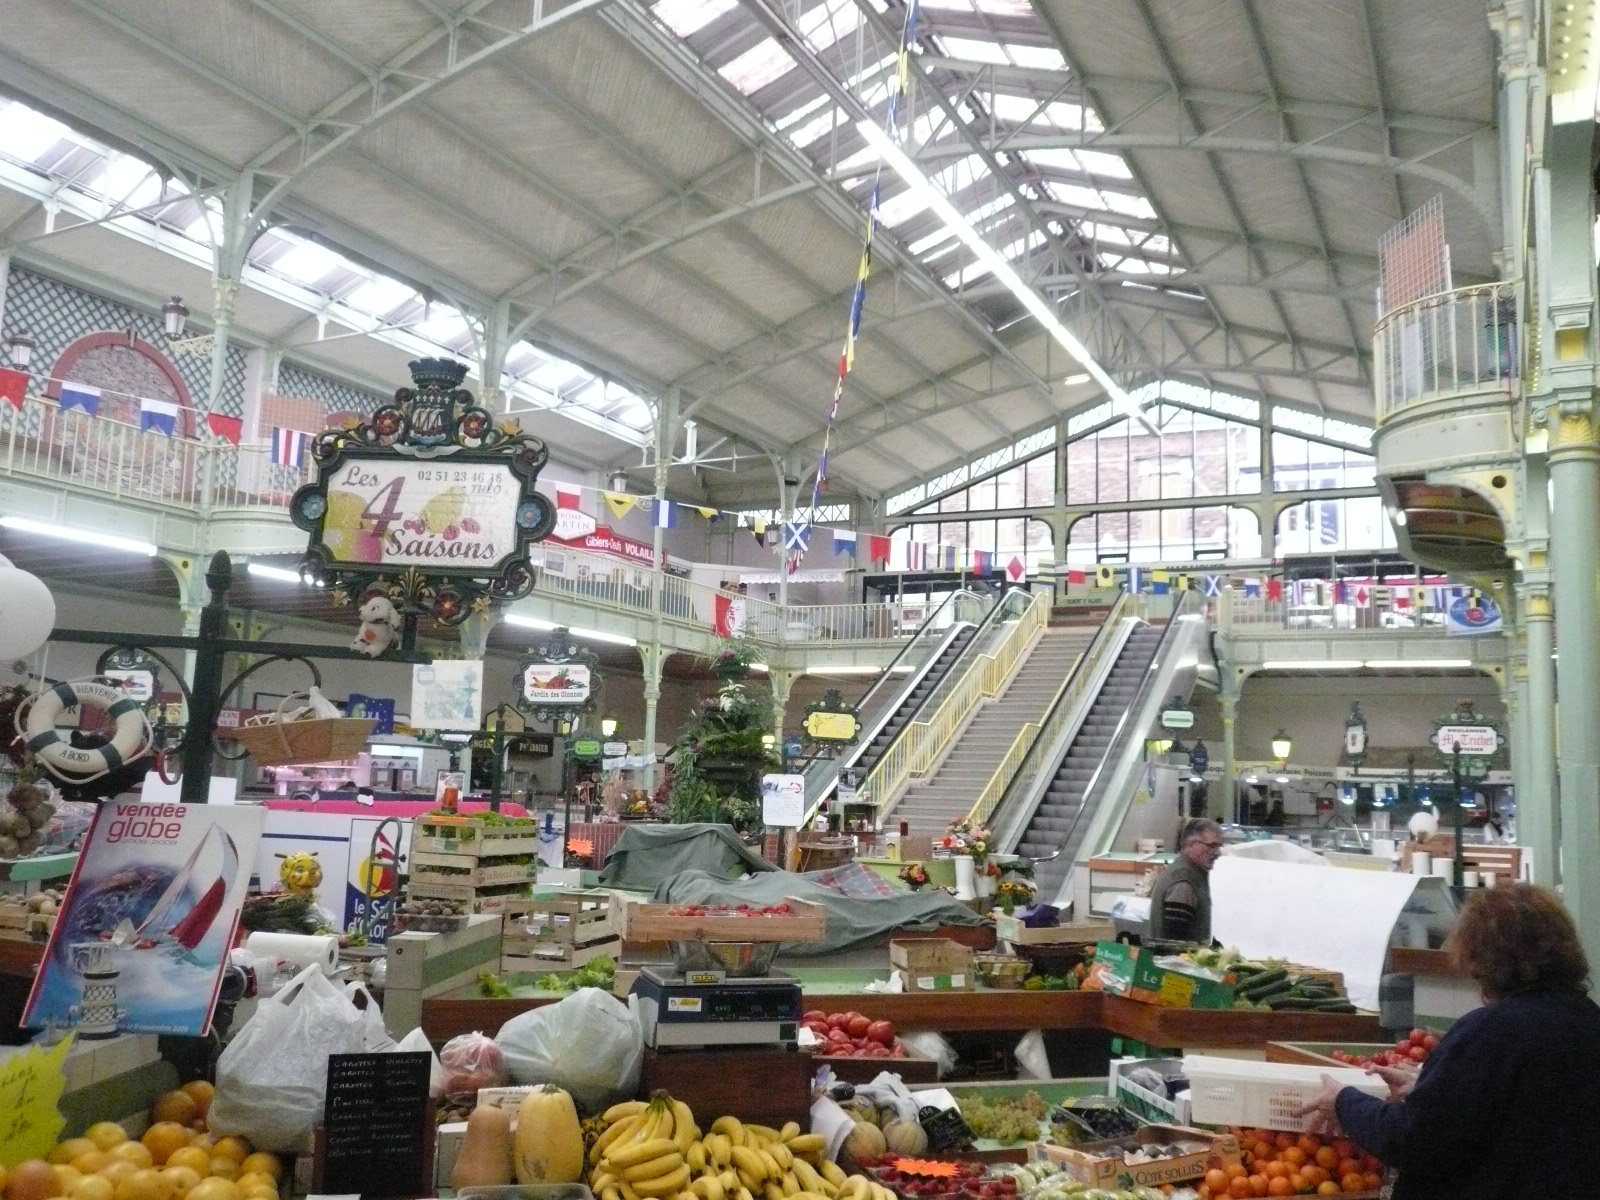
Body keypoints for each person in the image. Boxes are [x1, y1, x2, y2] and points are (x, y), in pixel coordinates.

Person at [1295, 883, 1600, 1199]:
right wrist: (1430, 1087)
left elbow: (1414, 1139)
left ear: (1482, 957)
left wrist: (1344, 1102)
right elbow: (1530, 1110)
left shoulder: (1491, 1030)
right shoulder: (1589, 1021)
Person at [1147, 817, 1222, 943]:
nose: (1218, 853)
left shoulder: (1189, 873)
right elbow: (1175, 943)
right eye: (1212, 846)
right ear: (1192, 844)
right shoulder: (1184, 882)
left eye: (1219, 846)